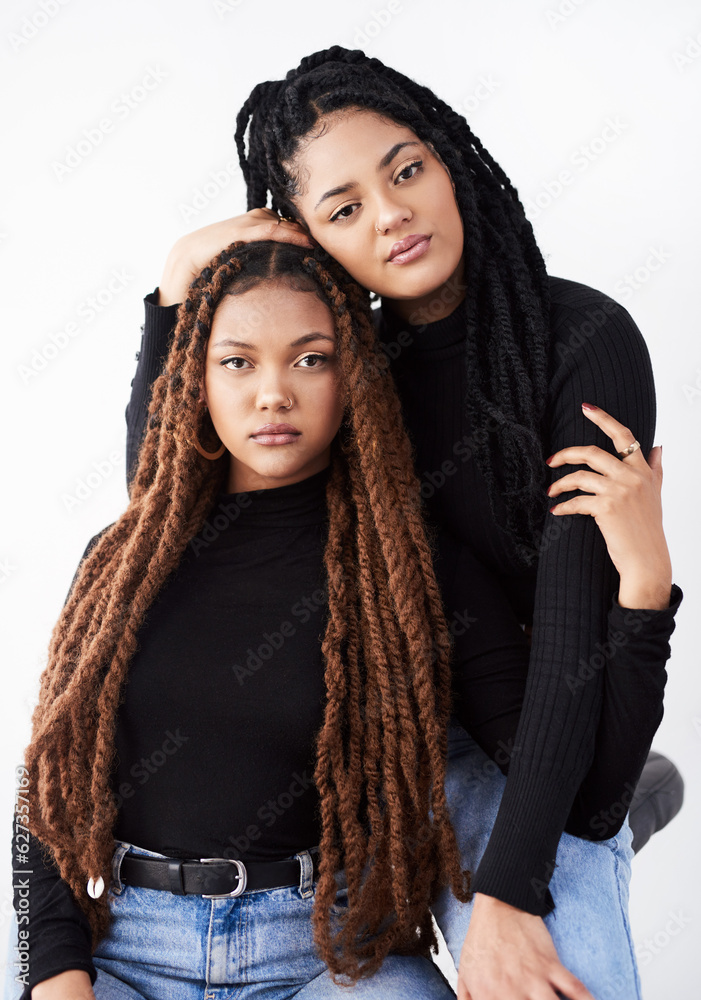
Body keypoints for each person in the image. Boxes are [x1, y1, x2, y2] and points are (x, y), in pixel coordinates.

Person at [121, 46, 684, 999]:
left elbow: (562, 648)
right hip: (381, 738)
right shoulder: (336, 375)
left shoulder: (579, 340)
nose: (391, 215)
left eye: (406, 169)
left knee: (558, 974)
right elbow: (169, 512)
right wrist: (177, 285)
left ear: (448, 159)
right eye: (342, 209)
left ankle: (616, 808)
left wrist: (506, 894)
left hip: (537, 723)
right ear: (309, 241)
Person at [13, 239, 473, 999]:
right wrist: (56, 972)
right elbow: (44, 784)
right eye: (237, 362)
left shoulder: (400, 568)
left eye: (309, 359)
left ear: (351, 374)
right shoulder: (123, 557)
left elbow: (527, 732)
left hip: (323, 956)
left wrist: (643, 594)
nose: (272, 393)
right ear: (196, 377)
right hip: (125, 949)